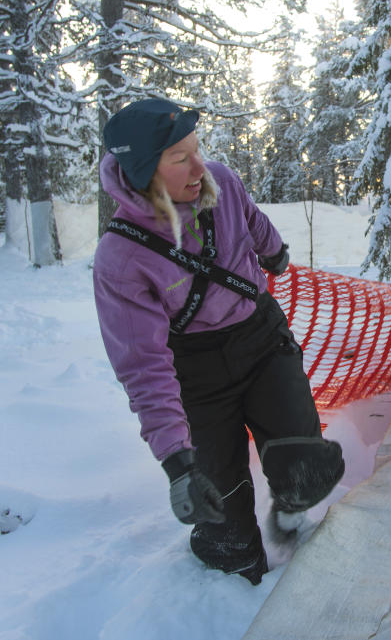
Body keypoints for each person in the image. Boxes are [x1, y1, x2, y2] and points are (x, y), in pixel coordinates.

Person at [93, 98, 344, 586]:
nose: (198, 166)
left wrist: (273, 252)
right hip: (195, 370)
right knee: (225, 531)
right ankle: (229, 573)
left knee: (304, 461)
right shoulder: (121, 260)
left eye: (197, 149)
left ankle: (292, 516)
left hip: (260, 337)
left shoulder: (221, 181)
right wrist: (177, 464)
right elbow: (143, 367)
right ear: (145, 170)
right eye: (180, 158)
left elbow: (251, 220)